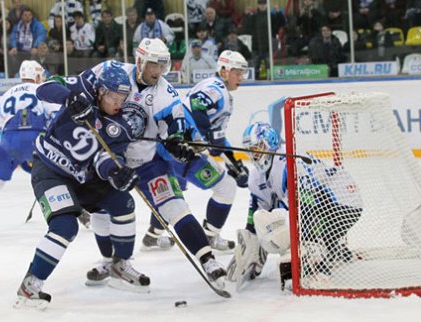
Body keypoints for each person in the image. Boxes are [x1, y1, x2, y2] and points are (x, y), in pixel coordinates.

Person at [86, 38, 228, 288]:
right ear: (139, 60)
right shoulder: (111, 70)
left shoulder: (165, 92)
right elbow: (82, 88)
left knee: (175, 207)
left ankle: (208, 259)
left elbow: (176, 128)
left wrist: (178, 144)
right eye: (153, 64)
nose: (158, 71)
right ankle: (109, 260)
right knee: (101, 209)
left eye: (162, 65)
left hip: (147, 162)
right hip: (108, 157)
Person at [15, 65, 145, 309]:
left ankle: (120, 264)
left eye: (122, 99)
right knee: (65, 225)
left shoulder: (121, 126)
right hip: (50, 170)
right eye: (114, 97)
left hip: (82, 179)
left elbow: (104, 159)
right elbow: (44, 88)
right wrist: (69, 98)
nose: (118, 103)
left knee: (123, 202)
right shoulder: (82, 87)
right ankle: (31, 284)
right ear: (100, 91)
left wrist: (116, 172)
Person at [226, 121, 362, 291]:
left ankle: (317, 259)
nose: (255, 155)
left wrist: (306, 242)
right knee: (269, 217)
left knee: (284, 219)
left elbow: (307, 204)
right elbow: (257, 210)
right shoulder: (255, 176)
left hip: (345, 202)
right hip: (322, 203)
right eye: (251, 150)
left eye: (258, 147)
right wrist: (251, 241)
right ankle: (330, 247)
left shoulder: (288, 161)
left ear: (271, 141)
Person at [144, 50, 250, 252]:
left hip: (174, 147)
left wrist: (234, 163)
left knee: (172, 194)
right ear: (225, 71)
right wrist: (209, 137)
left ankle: (152, 236)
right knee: (226, 187)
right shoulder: (216, 88)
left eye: (242, 72)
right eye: (237, 72)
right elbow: (196, 106)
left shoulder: (222, 93)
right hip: (183, 150)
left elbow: (218, 137)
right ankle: (210, 236)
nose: (240, 77)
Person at [0, 60, 58, 235]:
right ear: (37, 75)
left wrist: (14, 151)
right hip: (37, 137)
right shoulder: (43, 89)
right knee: (58, 177)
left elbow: (2, 127)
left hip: (9, 139)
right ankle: (79, 213)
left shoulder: (6, 94)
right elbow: (55, 117)